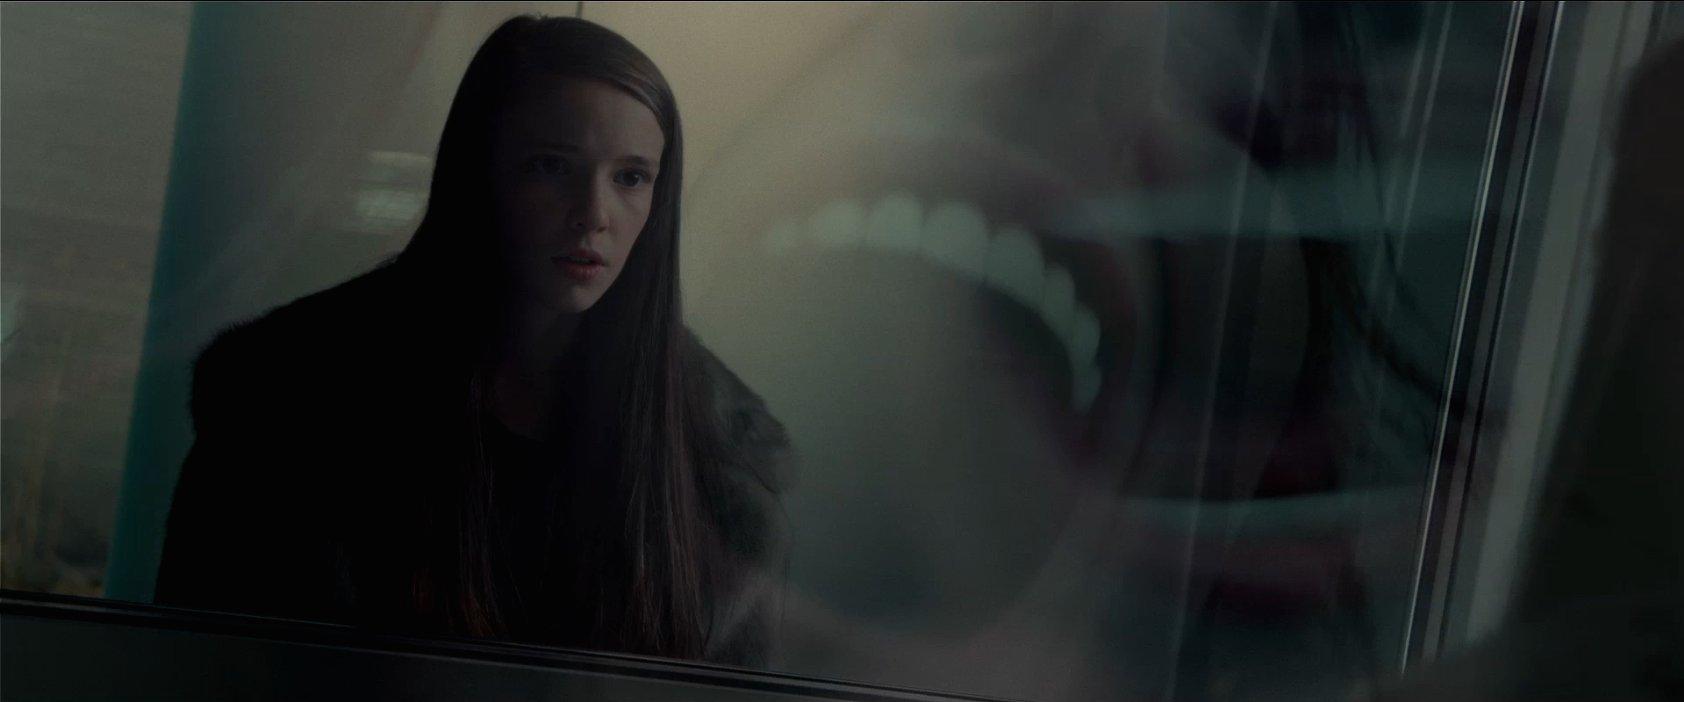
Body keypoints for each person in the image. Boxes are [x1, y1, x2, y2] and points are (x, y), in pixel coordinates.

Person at [154, 15, 795, 668]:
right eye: (552, 166)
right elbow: (194, 670)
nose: (594, 214)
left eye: (631, 177)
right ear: (479, 171)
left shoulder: (718, 465)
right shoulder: (290, 407)